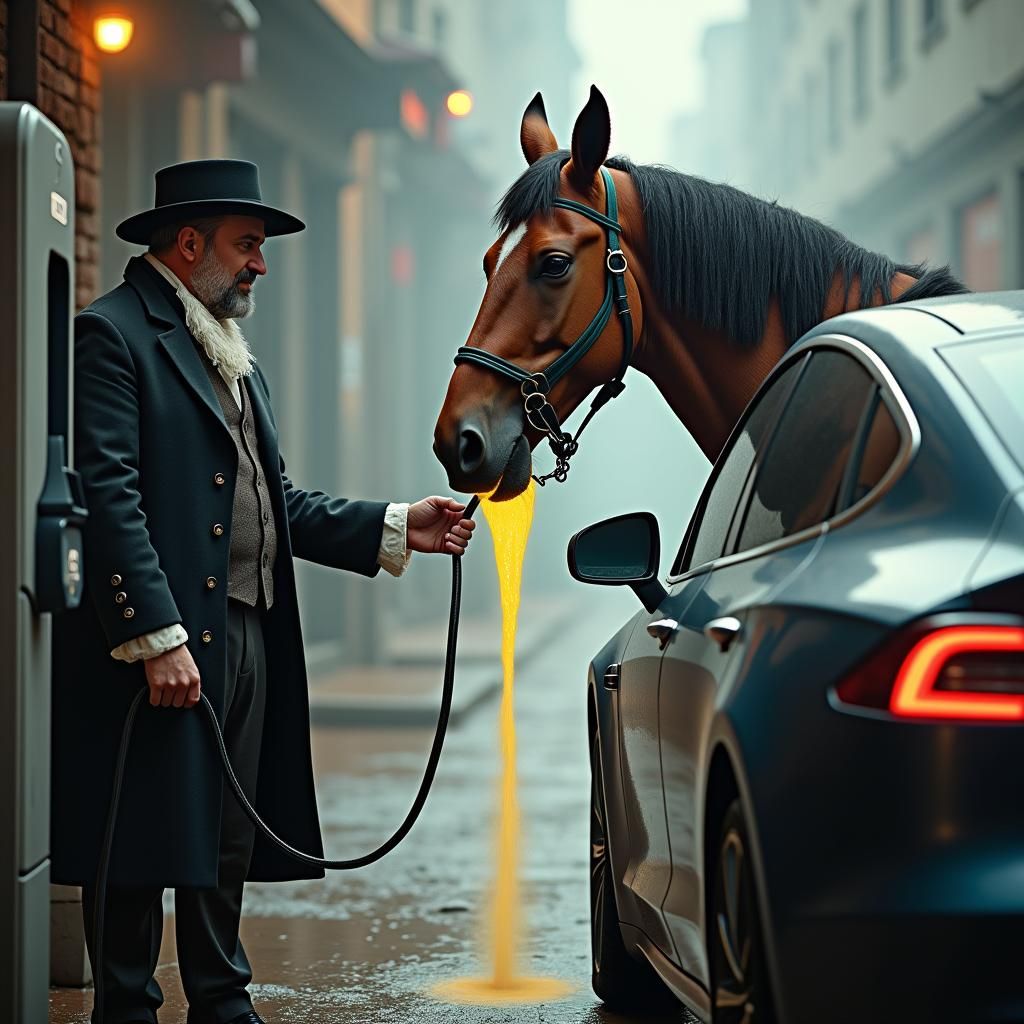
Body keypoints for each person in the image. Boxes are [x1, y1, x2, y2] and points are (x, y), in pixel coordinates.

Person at [50, 158, 476, 1024]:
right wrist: (155, 634)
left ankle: (221, 1001)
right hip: (158, 644)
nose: (261, 264)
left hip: (244, 633)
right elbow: (107, 490)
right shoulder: (112, 334)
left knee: (225, 836)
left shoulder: (231, 354)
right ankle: (125, 1007)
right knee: (134, 835)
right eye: (249, 245)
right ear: (191, 241)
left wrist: (397, 525)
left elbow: (273, 501)